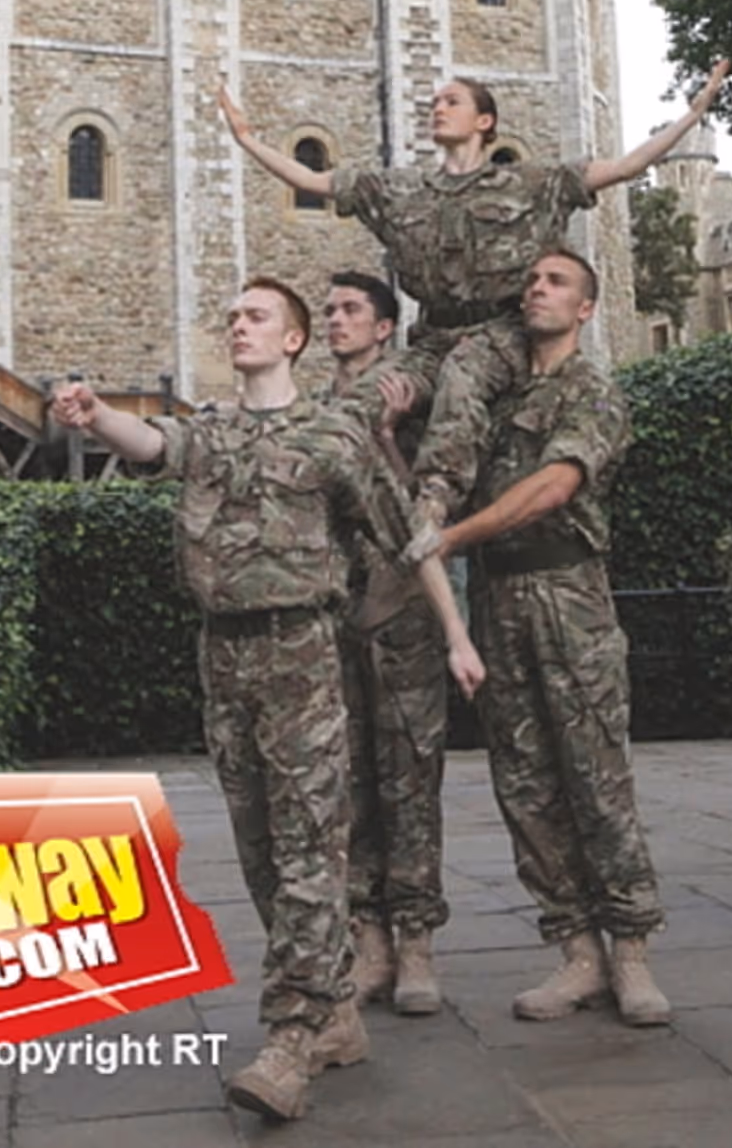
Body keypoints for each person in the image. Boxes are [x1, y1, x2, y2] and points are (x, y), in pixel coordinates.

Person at [50, 278, 483, 1123]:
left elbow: (407, 538)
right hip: (224, 655)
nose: (238, 326)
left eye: (256, 317)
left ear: (292, 341)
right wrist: (95, 415)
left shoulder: (333, 434)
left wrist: (457, 636)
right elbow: (152, 443)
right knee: (259, 849)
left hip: (302, 652)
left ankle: (292, 1036)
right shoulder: (211, 432)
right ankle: (336, 1010)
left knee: (310, 848)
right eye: (233, 317)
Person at [422, 247, 671, 1027]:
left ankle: (631, 950)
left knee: (595, 775)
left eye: (556, 282)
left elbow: (554, 487)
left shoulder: (591, 391)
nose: (537, 289)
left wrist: (451, 537)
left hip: (568, 595)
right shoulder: (495, 396)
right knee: (524, 782)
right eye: (532, 280)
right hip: (499, 596)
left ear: (586, 308)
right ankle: (577, 951)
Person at [218, 66, 727, 397]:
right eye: (435, 103)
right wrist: (247, 141)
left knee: (460, 389)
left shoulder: (530, 183)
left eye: (452, 102)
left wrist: (692, 116)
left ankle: (435, 514)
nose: (438, 109)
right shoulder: (399, 189)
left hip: (500, 336)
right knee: (367, 401)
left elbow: (626, 166)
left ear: (484, 121)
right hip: (431, 338)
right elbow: (313, 180)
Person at [322, 271, 450, 1015]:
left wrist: (386, 439)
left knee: (410, 780)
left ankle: (417, 941)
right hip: (336, 616)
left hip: (402, 617)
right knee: (348, 785)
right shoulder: (317, 410)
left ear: (382, 328)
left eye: (350, 310)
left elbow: (425, 513)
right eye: (329, 310)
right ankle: (367, 938)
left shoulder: (412, 404)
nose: (335, 320)